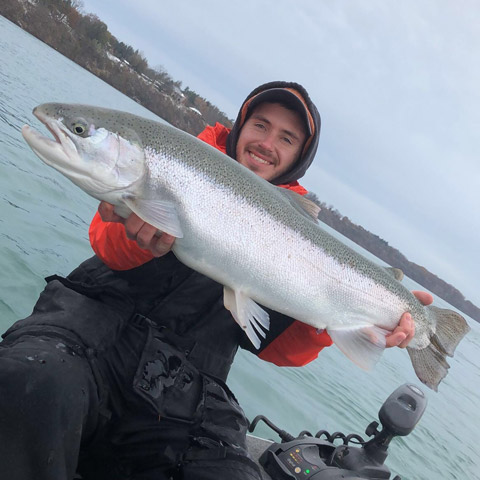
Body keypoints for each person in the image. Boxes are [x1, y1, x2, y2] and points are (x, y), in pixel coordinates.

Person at [0, 81, 432, 480]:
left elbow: (278, 350)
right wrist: (141, 243)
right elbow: (105, 244)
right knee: (33, 381)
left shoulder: (298, 231)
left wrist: (355, 316)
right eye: (260, 125)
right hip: (88, 334)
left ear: (299, 157)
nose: (267, 143)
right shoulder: (172, 158)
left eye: (286, 138)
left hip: (184, 388)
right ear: (240, 126)